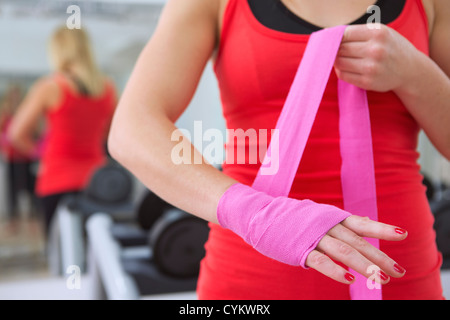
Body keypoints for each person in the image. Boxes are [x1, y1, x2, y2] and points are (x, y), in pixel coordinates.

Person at [108, 0, 449, 299]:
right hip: (252, 275)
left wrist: (417, 75)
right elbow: (131, 129)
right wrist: (257, 215)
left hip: (395, 272)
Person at [8, 26, 117, 236]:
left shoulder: (50, 86)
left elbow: (16, 134)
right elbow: (113, 134)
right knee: (95, 251)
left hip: (56, 179)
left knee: (62, 255)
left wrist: (40, 152)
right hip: (96, 181)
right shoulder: (107, 88)